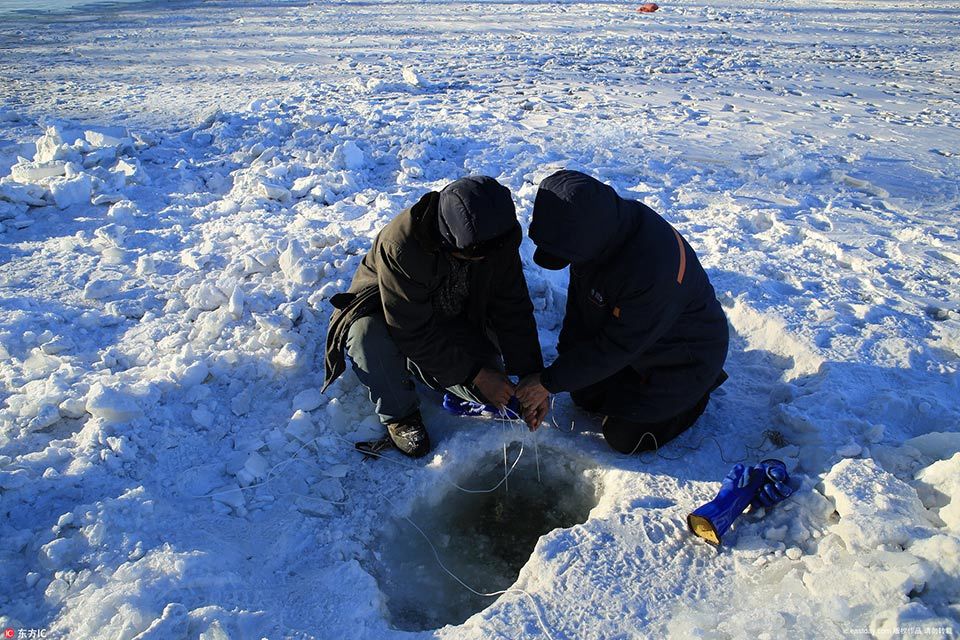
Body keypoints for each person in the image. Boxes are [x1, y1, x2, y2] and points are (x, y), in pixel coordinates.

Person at [322, 176, 547, 458]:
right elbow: (410, 329)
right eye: (478, 257)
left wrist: (532, 377)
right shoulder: (402, 245)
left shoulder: (495, 237)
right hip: (392, 318)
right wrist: (476, 374)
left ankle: (444, 376)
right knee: (368, 337)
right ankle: (400, 416)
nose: (488, 261)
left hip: (454, 315)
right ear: (451, 242)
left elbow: (512, 307)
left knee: (503, 396)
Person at [516, 170, 729, 454]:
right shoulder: (598, 232)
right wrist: (558, 373)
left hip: (684, 357)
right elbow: (581, 311)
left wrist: (547, 383)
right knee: (584, 395)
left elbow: (618, 345)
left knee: (625, 437)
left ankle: (697, 393)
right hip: (639, 343)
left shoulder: (651, 269)